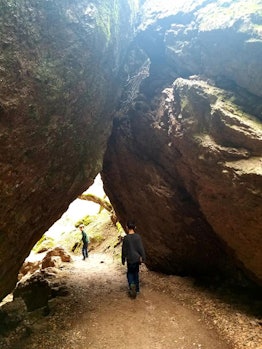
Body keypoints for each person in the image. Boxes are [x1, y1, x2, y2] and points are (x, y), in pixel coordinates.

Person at [122, 220, 146, 299]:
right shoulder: (138, 237)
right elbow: (140, 248)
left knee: (130, 273)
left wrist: (123, 258)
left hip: (130, 259)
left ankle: (132, 284)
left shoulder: (125, 238)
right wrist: (143, 257)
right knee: (136, 273)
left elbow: (124, 250)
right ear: (134, 227)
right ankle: (137, 289)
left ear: (127, 227)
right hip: (137, 259)